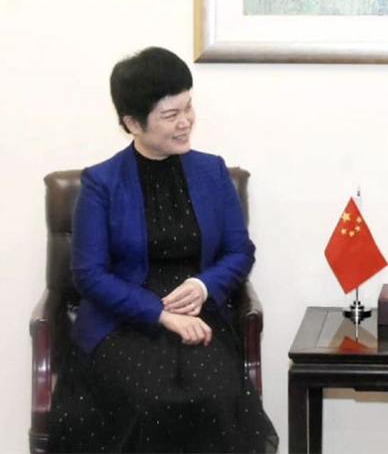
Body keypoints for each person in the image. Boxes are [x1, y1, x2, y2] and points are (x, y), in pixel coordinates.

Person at [48, 47, 278, 453]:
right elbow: (89, 274)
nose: (185, 122)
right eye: (171, 115)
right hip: (124, 319)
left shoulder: (212, 171)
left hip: (200, 316)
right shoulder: (101, 183)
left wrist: (205, 286)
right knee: (148, 402)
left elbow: (240, 252)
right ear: (133, 123)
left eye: (188, 107)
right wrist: (160, 314)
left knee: (215, 398)